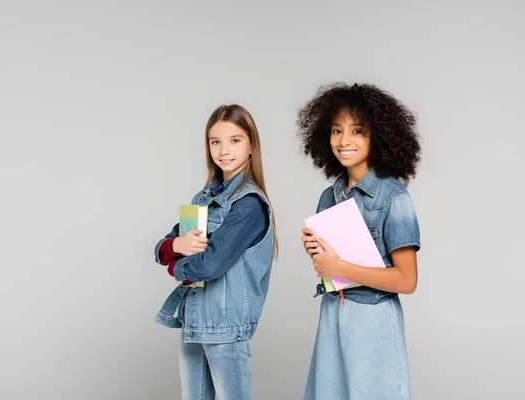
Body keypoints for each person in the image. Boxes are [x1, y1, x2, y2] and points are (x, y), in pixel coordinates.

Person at [298, 83, 421, 399]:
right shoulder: (329, 197)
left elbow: (406, 280)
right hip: (333, 313)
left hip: (374, 322)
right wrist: (319, 255)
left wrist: (339, 265)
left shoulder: (394, 196)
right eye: (337, 130)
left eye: (357, 131)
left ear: (378, 136)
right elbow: (329, 271)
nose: (344, 141)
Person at [154, 104, 278, 400]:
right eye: (215, 142)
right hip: (194, 320)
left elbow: (209, 265)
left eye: (235, 140)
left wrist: (176, 266)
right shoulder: (205, 197)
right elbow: (162, 248)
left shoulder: (248, 204)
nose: (224, 150)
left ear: (251, 146)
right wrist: (176, 246)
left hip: (225, 326)